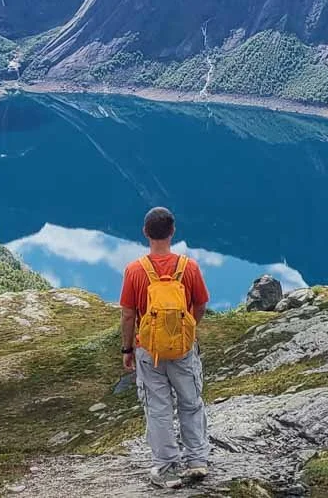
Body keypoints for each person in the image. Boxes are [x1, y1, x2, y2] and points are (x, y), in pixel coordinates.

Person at [120, 206, 211, 489]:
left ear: (145, 232)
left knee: (158, 408)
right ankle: (196, 461)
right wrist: (187, 331)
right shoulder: (189, 267)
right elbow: (200, 304)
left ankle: (167, 468)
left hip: (149, 350)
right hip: (183, 349)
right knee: (190, 402)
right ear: (172, 232)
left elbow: (128, 314)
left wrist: (127, 350)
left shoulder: (135, 270)